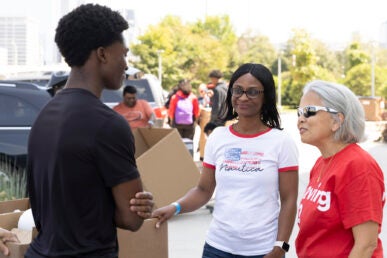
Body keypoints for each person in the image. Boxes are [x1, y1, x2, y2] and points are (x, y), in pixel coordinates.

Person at [26, 4, 154, 257]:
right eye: (124, 55)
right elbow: (131, 219)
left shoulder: (44, 115)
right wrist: (141, 204)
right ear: (102, 54)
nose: (126, 65)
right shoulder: (108, 124)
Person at [153, 63, 299, 257]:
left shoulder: (281, 142)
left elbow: (289, 200)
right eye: (238, 90)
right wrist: (175, 207)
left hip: (262, 250)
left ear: (266, 96)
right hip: (217, 247)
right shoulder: (219, 137)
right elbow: (203, 190)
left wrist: (281, 247)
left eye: (253, 92)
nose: (244, 97)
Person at [295, 80, 385, 258]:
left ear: (337, 120)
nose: (301, 119)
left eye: (310, 111)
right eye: (299, 112)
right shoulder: (321, 163)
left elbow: (366, 245)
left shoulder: (358, 166)